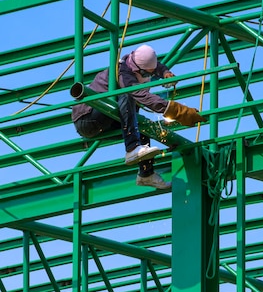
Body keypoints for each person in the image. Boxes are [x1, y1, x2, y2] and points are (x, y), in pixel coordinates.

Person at [71, 44, 207, 189]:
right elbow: (143, 97)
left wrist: (165, 73)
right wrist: (177, 110)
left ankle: (146, 174)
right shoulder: (123, 73)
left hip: (108, 119)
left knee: (142, 125)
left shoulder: (140, 65)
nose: (148, 77)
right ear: (137, 69)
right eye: (146, 74)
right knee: (129, 94)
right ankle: (132, 149)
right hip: (88, 119)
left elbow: (156, 67)